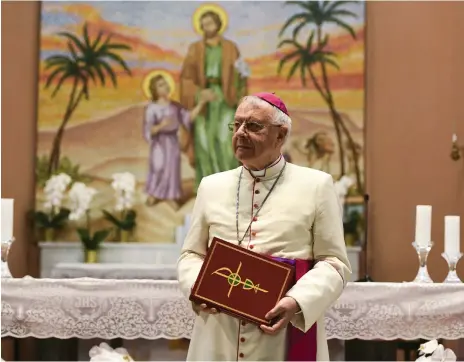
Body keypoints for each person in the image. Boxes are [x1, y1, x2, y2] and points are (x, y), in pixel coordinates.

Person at [177, 92, 351, 361]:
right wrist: (198, 286)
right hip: (218, 333)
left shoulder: (317, 186)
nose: (241, 133)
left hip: (281, 336)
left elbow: (334, 263)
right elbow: (192, 254)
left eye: (253, 126)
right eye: (236, 125)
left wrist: (297, 301)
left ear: (280, 136)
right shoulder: (211, 186)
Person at [179, 9, 247, 190]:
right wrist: (199, 94)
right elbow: (186, 78)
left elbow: (242, 74)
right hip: (203, 102)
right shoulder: (195, 49)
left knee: (226, 141)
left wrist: (241, 98)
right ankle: (207, 186)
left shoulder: (231, 48)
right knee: (203, 142)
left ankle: (230, 185)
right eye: (203, 24)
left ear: (218, 24)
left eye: (209, 23)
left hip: (226, 99)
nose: (206, 27)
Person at [143, 74, 209, 207]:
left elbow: (188, 118)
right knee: (158, 166)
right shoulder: (151, 108)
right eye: (161, 85)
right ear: (154, 90)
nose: (165, 86)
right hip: (159, 144)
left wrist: (201, 103)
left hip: (172, 142)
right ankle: (154, 194)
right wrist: (161, 126)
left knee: (171, 168)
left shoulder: (174, 106)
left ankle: (170, 196)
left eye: (165, 83)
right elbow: (148, 130)